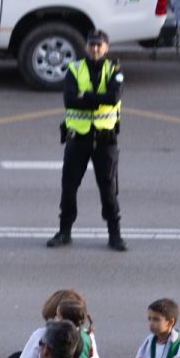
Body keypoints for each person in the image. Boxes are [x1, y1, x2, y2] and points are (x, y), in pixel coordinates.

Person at [49, 30, 127, 253]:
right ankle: (64, 232)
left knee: (109, 189)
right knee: (69, 187)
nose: (95, 49)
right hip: (78, 138)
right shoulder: (75, 69)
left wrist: (87, 97)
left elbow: (114, 98)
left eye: (99, 45)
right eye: (92, 45)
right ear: (86, 47)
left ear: (106, 47)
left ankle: (115, 235)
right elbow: (70, 101)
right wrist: (96, 100)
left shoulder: (115, 70)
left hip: (105, 140)